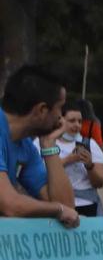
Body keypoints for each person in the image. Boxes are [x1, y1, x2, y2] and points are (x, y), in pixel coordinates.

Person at [1, 65, 80, 227]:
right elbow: (10, 205)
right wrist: (57, 210)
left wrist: (49, 145)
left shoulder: (25, 145)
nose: (61, 118)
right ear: (42, 110)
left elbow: (67, 206)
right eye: (60, 107)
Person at [47, 102, 103, 217]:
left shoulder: (91, 145)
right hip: (56, 205)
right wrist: (68, 160)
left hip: (87, 205)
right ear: (60, 120)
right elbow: (40, 173)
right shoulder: (46, 143)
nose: (77, 125)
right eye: (72, 121)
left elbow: (100, 182)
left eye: (80, 121)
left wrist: (90, 166)